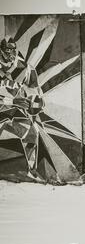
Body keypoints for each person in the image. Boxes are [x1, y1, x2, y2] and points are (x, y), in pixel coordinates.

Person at [0, 37, 44, 180]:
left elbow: (36, 90)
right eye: (7, 51)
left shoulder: (26, 68)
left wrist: (37, 102)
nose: (10, 54)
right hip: (4, 106)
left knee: (32, 133)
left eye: (13, 50)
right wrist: (12, 100)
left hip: (14, 109)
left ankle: (32, 170)